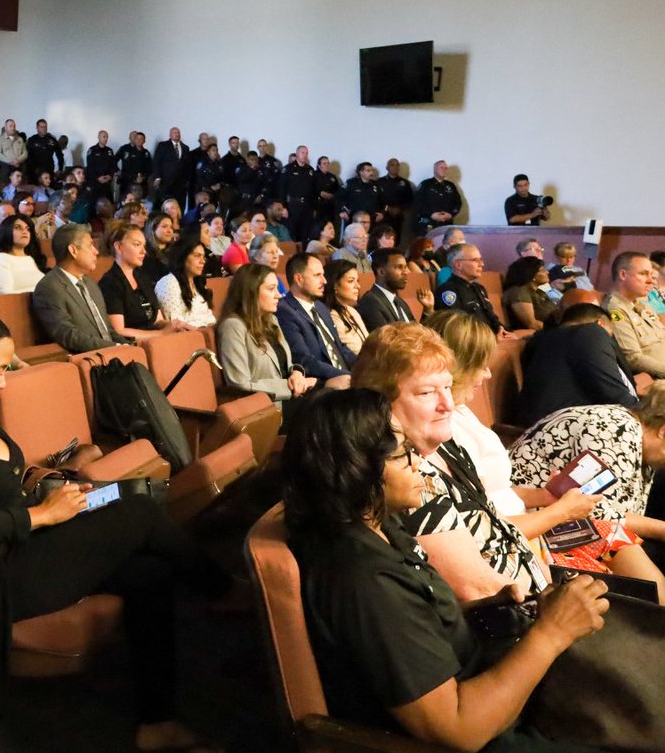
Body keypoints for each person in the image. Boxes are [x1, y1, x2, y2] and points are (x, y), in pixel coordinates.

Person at [0, 303, 230, 753]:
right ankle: (224, 592)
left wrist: (51, 494)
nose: (3, 383)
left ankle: (156, 723)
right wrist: (41, 516)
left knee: (151, 571)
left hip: (24, 539)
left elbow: (4, 478)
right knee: (140, 513)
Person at [283, 387, 609, 753]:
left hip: (490, 680)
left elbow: (416, 617)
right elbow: (459, 730)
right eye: (404, 454)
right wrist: (552, 633)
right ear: (359, 468)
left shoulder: (382, 527)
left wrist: (489, 609)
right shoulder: (364, 581)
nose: (420, 462)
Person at [427, 309, 665, 597]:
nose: (488, 373)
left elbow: (496, 491)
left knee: (631, 557)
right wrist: (559, 510)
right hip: (521, 535)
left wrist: (545, 498)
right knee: (632, 570)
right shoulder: (440, 430)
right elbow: (484, 520)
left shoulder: (461, 414)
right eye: (481, 364)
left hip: (536, 516)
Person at [352, 323, 548, 600]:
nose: (447, 403)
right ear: (380, 403)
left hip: (540, 593)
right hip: (516, 620)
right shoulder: (408, 478)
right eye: (426, 393)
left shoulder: (447, 447)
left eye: (447, 386)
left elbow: (496, 526)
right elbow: (477, 590)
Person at [510, 388, 665, 551]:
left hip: (554, 526)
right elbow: (594, 512)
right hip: (524, 518)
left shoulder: (644, 450)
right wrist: (661, 530)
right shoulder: (618, 430)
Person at [517, 302, 639, 426]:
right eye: (611, 333)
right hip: (567, 430)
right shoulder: (592, 333)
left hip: (547, 426)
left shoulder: (542, 339)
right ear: (600, 322)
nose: (610, 339)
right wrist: (645, 418)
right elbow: (616, 395)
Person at [216, 264, 315, 400]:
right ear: (251, 292)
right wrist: (288, 386)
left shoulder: (271, 320)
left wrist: (297, 373)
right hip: (267, 406)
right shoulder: (233, 326)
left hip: (291, 397)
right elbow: (239, 385)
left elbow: (285, 366)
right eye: (271, 289)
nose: (279, 295)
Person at [32, 224, 130, 353]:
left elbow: (107, 330)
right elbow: (68, 334)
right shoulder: (49, 288)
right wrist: (114, 348)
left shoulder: (91, 284)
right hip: (89, 360)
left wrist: (128, 347)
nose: (96, 251)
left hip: (111, 354)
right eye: (90, 246)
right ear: (73, 251)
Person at [99, 223, 190, 343]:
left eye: (144, 245)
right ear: (119, 247)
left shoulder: (142, 277)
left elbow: (157, 320)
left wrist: (174, 326)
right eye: (137, 245)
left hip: (155, 341)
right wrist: (161, 333)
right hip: (132, 347)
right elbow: (119, 331)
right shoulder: (109, 283)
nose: (143, 251)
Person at [276, 253, 354, 381]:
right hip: (323, 383)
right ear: (299, 279)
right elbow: (304, 360)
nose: (324, 281)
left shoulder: (320, 307)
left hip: (345, 376)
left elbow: (340, 347)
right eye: (317, 275)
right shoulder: (285, 311)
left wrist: (366, 367)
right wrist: (347, 376)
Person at [603, 251, 665, 378]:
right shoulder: (615, 311)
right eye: (643, 274)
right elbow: (633, 358)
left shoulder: (644, 307)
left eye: (651, 275)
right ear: (623, 274)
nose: (651, 281)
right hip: (655, 381)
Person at [435, 243, 507, 335]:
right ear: (458, 265)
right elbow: (456, 327)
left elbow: (491, 316)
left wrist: (503, 331)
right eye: (475, 260)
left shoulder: (479, 288)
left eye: (481, 260)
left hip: (490, 337)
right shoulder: (447, 291)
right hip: (474, 342)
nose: (481, 264)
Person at [154, 232, 216, 329]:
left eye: (203, 257)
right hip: (187, 338)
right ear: (182, 257)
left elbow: (210, 317)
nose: (203, 261)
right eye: (197, 255)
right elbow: (177, 325)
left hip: (206, 334)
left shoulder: (198, 282)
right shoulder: (168, 283)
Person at [358, 248, 430, 330]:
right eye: (399, 267)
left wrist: (427, 310)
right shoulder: (370, 302)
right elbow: (386, 340)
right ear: (381, 272)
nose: (405, 272)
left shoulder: (400, 302)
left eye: (405, 267)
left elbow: (418, 333)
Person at [0, 214, 46, 295]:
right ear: (6, 231)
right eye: (18, 228)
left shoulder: (30, 258)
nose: (24, 231)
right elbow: (7, 295)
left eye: (28, 229)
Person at [323, 258, 369, 355]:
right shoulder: (331, 315)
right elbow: (354, 352)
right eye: (351, 281)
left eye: (358, 281)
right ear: (335, 285)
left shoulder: (352, 311)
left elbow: (368, 343)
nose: (358, 286)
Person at [501, 256, 557, 331]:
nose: (547, 272)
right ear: (532, 274)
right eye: (543, 270)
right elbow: (532, 324)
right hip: (543, 334)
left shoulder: (538, 291)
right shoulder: (519, 291)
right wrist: (561, 330)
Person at [413, 159, 462, 236]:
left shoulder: (450, 186)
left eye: (446, 168)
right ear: (435, 169)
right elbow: (417, 203)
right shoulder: (426, 184)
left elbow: (458, 203)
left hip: (446, 223)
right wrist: (431, 214)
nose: (444, 170)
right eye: (441, 167)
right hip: (428, 223)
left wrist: (451, 214)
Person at [150, 126, 189, 204]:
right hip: (165, 181)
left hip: (180, 184)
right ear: (170, 135)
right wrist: (157, 177)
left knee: (179, 203)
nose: (177, 134)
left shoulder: (185, 148)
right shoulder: (162, 145)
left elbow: (187, 165)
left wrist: (187, 180)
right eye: (175, 133)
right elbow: (157, 161)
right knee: (164, 203)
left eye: (178, 133)